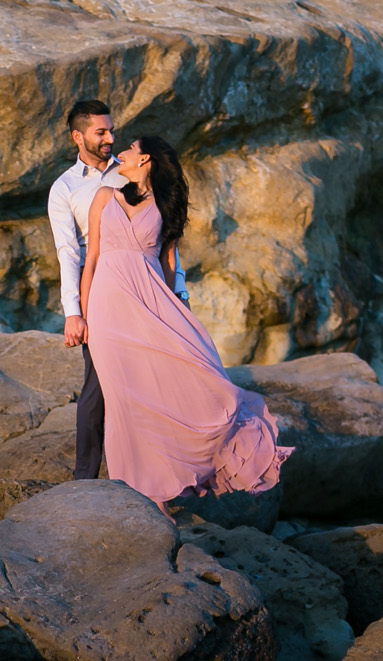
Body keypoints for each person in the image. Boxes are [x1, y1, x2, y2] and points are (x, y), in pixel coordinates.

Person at [79, 136, 291, 510]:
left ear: (144, 158)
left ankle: (168, 484)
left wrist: (180, 305)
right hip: (107, 309)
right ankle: (142, 495)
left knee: (175, 382)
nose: (121, 152)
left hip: (150, 301)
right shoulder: (102, 197)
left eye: (128, 148)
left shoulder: (164, 207)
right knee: (124, 399)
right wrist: (80, 314)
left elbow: (168, 265)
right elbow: (91, 259)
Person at [46, 99, 189, 481]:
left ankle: (159, 471)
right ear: (78, 137)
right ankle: (85, 479)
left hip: (146, 293)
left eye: (112, 130)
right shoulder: (65, 189)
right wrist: (74, 312)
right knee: (99, 384)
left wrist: (180, 296)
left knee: (154, 380)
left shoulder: (132, 171)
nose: (111, 138)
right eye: (101, 132)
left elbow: (166, 241)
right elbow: (71, 253)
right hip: (104, 293)